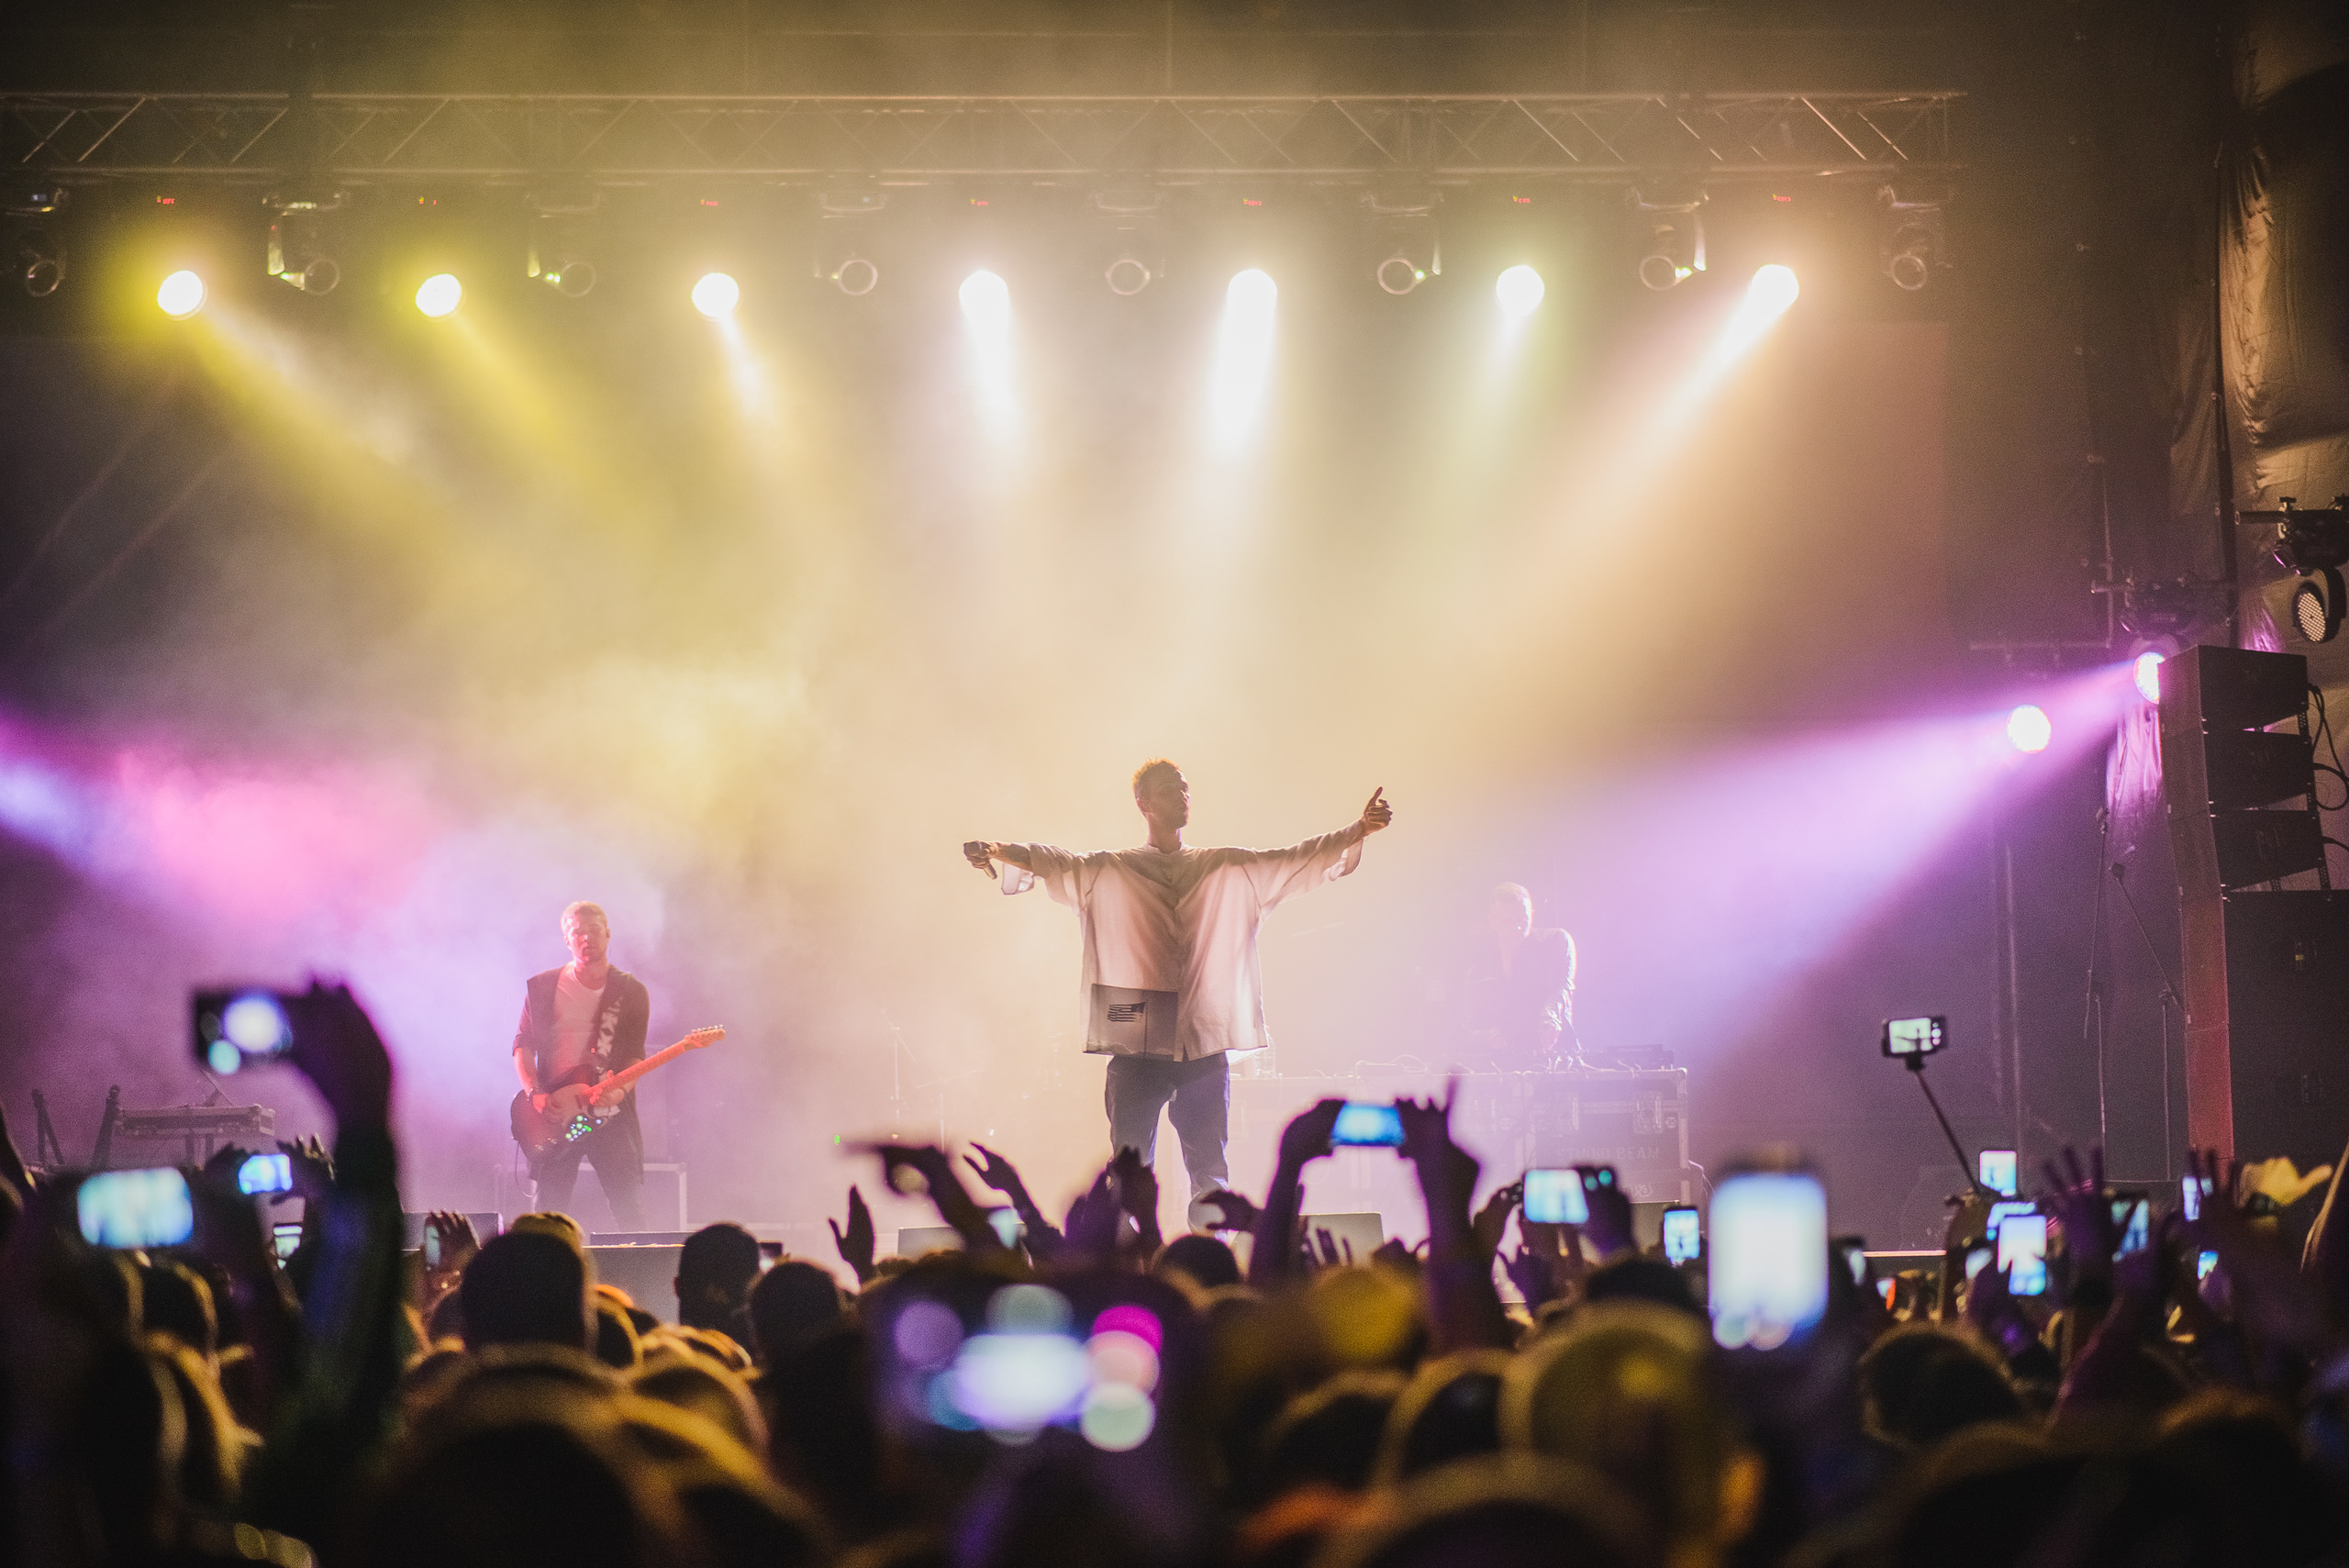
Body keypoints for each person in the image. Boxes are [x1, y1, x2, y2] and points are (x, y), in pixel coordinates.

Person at [965, 761, 1392, 1203]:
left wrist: (1358, 829)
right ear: (1144, 804)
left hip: (1202, 1041)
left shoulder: (1220, 865)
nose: (1183, 796)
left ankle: (1211, 1260)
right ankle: (1133, 1261)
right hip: (1138, 1038)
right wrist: (998, 848)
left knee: (1209, 1172)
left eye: (1186, 788)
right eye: (1171, 790)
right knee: (1130, 1174)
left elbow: (1294, 858)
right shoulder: (1115, 868)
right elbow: (1054, 861)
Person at [512, 901, 652, 1230]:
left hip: (607, 1114)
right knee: (546, 1212)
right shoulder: (543, 986)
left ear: (607, 934)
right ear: (566, 940)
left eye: (594, 930)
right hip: (557, 1114)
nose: (586, 938)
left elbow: (635, 1055)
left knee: (628, 1209)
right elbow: (522, 1045)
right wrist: (535, 1094)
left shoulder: (630, 992)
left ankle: (642, 1274)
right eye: (578, 933)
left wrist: (619, 1092)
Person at [1468, 883, 1577, 1069]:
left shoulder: (1555, 941)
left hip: (1553, 1056)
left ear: (1532, 914)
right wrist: (1488, 1036)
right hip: (1502, 1062)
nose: (1518, 927)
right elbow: (1469, 1022)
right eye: (1507, 921)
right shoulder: (1481, 964)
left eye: (1523, 919)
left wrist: (1549, 1018)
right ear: (1491, 922)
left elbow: (1563, 987)